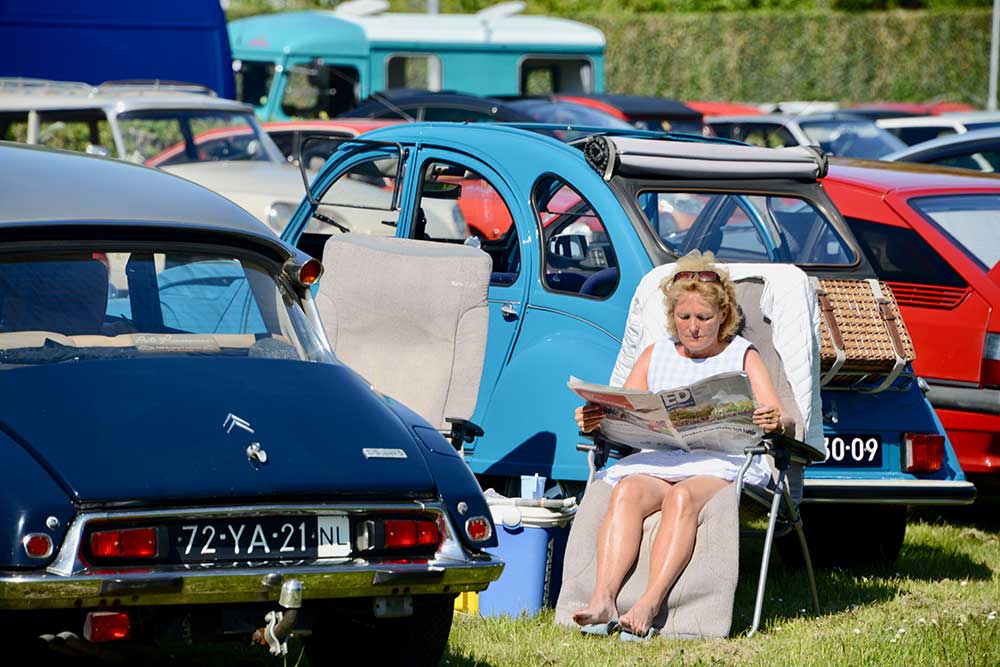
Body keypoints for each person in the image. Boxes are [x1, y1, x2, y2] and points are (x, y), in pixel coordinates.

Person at [571, 250, 793, 640]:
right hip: (662, 458)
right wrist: (595, 419)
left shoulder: (742, 354)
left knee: (681, 500)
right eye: (683, 317)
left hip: (720, 462)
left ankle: (649, 603)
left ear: (724, 316)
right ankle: (604, 598)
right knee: (624, 491)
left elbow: (784, 418)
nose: (692, 327)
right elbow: (625, 410)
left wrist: (775, 419)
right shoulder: (655, 354)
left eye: (703, 318)